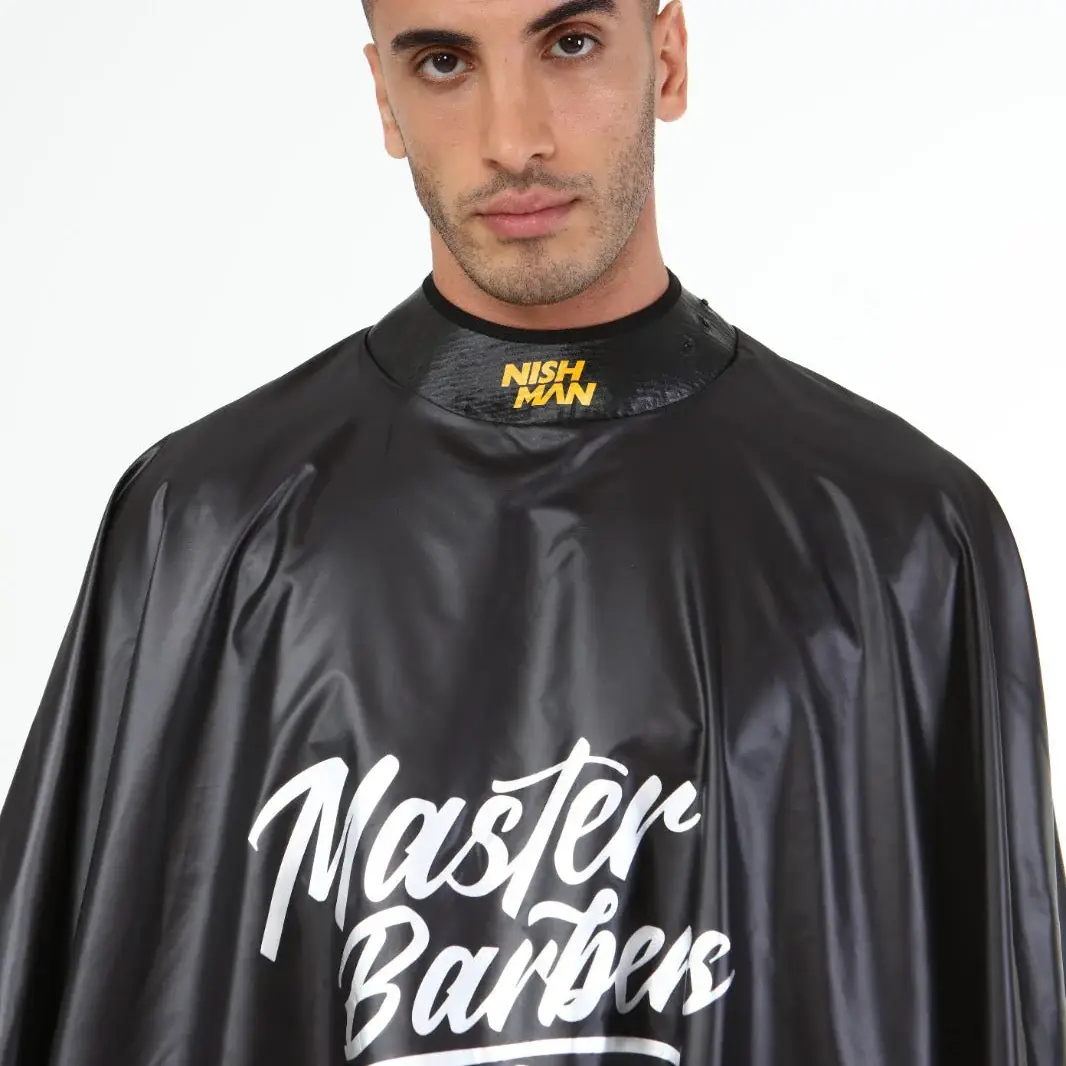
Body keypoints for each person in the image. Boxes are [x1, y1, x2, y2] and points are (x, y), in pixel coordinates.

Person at [0, 0, 1062, 1063]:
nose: (514, 139)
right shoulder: (209, 525)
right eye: (443, 62)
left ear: (667, 59)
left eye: (570, 44)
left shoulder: (900, 539)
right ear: (384, 99)